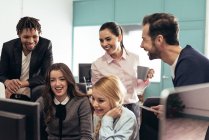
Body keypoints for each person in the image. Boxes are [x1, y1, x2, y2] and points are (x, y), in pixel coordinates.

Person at [139, 12, 209, 140]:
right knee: (150, 105)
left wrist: (171, 111)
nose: (141, 45)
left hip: (203, 129)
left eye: (144, 39)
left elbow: (193, 116)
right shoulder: (184, 59)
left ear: (159, 40)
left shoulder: (190, 64)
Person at [91, 22, 154, 126]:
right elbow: (96, 93)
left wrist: (146, 78)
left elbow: (138, 88)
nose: (104, 44)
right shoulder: (97, 65)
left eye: (108, 39)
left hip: (132, 107)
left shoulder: (134, 58)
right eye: (101, 40)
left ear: (119, 37)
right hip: (110, 110)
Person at [0, 16, 53, 101]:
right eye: (26, 37)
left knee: (43, 90)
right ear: (19, 34)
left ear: (39, 33)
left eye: (35, 36)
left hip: (34, 87)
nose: (31, 41)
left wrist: (21, 84)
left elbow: (46, 75)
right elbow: (1, 74)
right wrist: (7, 82)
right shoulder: (8, 47)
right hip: (11, 90)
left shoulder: (46, 45)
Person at [37, 63, 93, 140]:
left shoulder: (81, 101)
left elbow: (86, 136)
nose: (57, 84)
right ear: (49, 83)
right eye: (52, 80)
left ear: (68, 81)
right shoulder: (43, 100)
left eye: (62, 79)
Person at [91, 75, 138, 140]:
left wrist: (107, 119)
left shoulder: (128, 117)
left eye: (101, 100)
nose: (94, 104)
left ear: (115, 100)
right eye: (93, 98)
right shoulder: (99, 113)